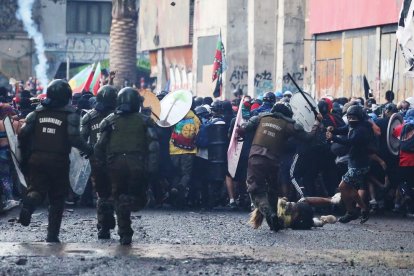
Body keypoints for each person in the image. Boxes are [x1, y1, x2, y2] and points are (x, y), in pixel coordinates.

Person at [18, 79, 93, 243]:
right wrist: (88, 149)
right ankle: (52, 235)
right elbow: (74, 139)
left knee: (36, 189)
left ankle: (29, 203)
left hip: (36, 159)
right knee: (57, 198)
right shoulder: (70, 115)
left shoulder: (35, 114)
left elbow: (22, 134)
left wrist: (25, 156)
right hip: (58, 161)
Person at [239, 102, 322, 231]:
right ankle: (274, 223)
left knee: (256, 192)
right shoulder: (289, 124)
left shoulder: (261, 118)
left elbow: (244, 128)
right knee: (273, 190)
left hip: (256, 159)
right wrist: (317, 122)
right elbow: (308, 138)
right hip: (273, 162)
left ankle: (270, 214)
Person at [94, 87, 159, 245]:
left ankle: (125, 232)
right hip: (137, 164)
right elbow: (154, 147)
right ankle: (125, 221)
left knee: (117, 196)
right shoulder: (145, 120)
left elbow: (99, 146)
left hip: (114, 165)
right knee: (138, 196)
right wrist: (152, 169)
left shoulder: (110, 120)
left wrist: (102, 166)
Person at [80, 85, 118, 239]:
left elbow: (82, 139)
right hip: (116, 159)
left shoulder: (89, 116)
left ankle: (103, 226)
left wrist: (89, 150)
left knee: (101, 194)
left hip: (96, 160)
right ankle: (111, 221)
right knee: (115, 192)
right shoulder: (119, 116)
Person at [326, 105, 374, 224]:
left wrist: (334, 138)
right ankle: (363, 209)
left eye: (354, 118)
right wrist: (334, 130)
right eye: (350, 117)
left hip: (359, 164)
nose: (351, 120)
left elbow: (350, 142)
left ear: (360, 117)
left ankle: (351, 212)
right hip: (354, 161)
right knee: (350, 188)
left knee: (343, 187)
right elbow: (345, 128)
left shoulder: (361, 129)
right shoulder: (355, 125)